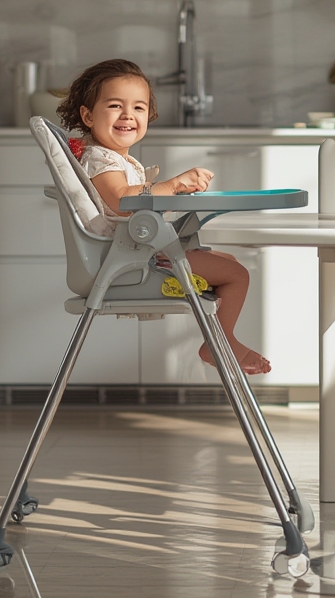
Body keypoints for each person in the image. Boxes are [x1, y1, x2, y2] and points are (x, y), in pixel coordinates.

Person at [57, 59, 271, 376]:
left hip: (133, 254)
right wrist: (170, 185)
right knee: (236, 275)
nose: (128, 115)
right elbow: (121, 201)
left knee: (228, 262)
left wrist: (174, 192)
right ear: (88, 115)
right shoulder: (100, 158)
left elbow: (131, 200)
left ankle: (218, 338)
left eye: (138, 108)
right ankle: (219, 342)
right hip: (132, 261)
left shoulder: (115, 159)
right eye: (115, 105)